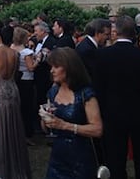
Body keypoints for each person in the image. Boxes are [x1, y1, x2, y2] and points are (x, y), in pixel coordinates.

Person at [94, 15, 140, 179]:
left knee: (115, 156)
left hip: (113, 112)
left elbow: (98, 87)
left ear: (116, 32)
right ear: (134, 34)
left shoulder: (103, 55)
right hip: (139, 111)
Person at [40, 47, 103, 179]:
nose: (52, 71)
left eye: (56, 67)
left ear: (69, 68)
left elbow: (97, 129)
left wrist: (65, 125)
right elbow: (46, 129)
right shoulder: (53, 92)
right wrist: (45, 119)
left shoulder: (85, 94)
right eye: (51, 67)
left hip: (81, 158)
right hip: (57, 157)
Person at [0, 25, 31, 179]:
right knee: (14, 125)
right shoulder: (15, 54)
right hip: (12, 89)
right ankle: (17, 165)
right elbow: (16, 73)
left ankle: (2, 168)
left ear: (0, 36)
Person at [33, 21, 56, 107]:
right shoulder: (38, 42)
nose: (35, 33)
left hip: (46, 76)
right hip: (39, 76)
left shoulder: (51, 42)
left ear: (43, 31)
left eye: (36, 31)